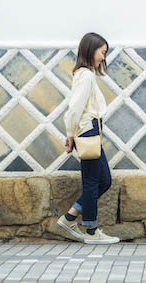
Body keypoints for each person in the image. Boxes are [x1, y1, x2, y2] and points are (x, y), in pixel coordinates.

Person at [56, 32, 119, 244]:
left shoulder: (84, 74)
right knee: (93, 183)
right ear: (91, 50)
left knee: (104, 181)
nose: (103, 57)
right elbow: (74, 108)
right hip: (88, 131)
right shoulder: (86, 75)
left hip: (90, 130)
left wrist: (72, 135)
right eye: (102, 52)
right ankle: (91, 231)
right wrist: (70, 135)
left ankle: (70, 217)